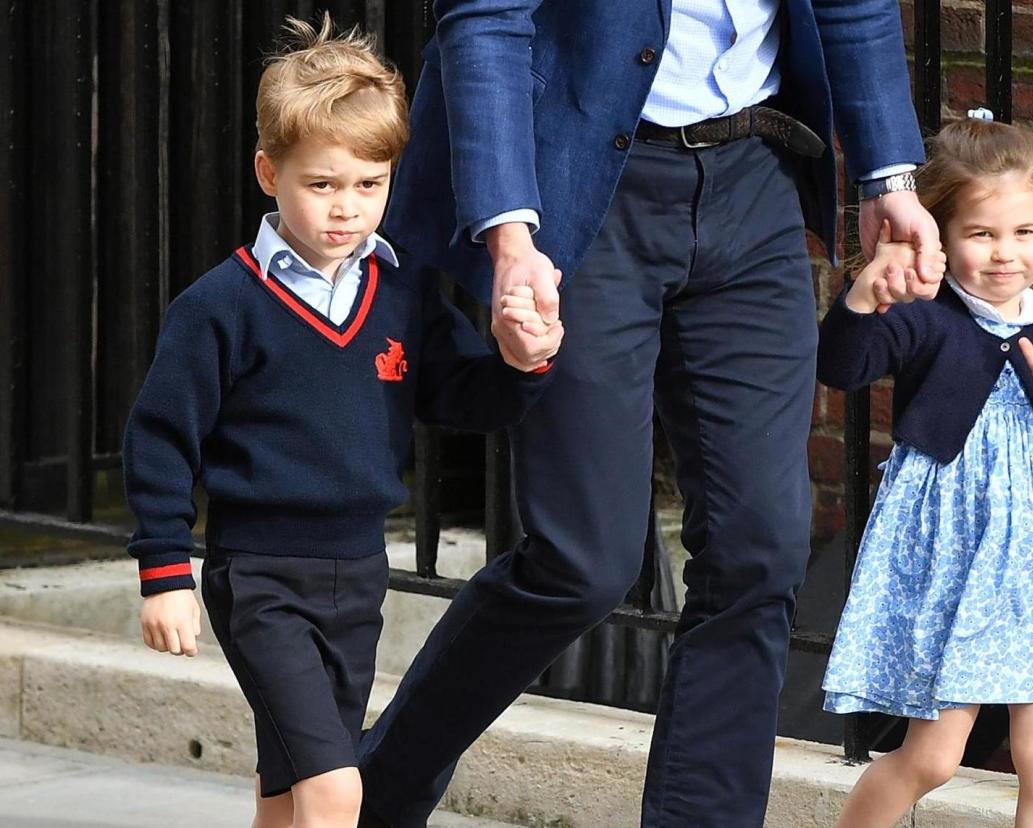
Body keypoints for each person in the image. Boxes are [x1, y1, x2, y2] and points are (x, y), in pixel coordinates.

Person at [358, 2, 942, 826]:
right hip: (581, 184)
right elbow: (487, 18)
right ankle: (369, 800)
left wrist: (890, 174)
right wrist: (510, 236)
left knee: (761, 550)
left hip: (754, 176)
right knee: (582, 562)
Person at [122, 16, 559, 828]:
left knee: (286, 791)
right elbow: (160, 438)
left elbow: (468, 399)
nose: (347, 208)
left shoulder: (402, 295)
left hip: (359, 575)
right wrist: (163, 571)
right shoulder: (219, 308)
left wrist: (523, 361)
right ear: (268, 172)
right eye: (322, 184)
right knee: (336, 789)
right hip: (257, 576)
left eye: (370, 184)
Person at [818, 113, 1033, 828]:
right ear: (941, 233)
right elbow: (842, 367)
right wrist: (864, 298)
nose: (1005, 255)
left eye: (1025, 233)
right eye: (982, 234)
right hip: (953, 558)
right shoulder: (925, 317)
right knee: (933, 756)